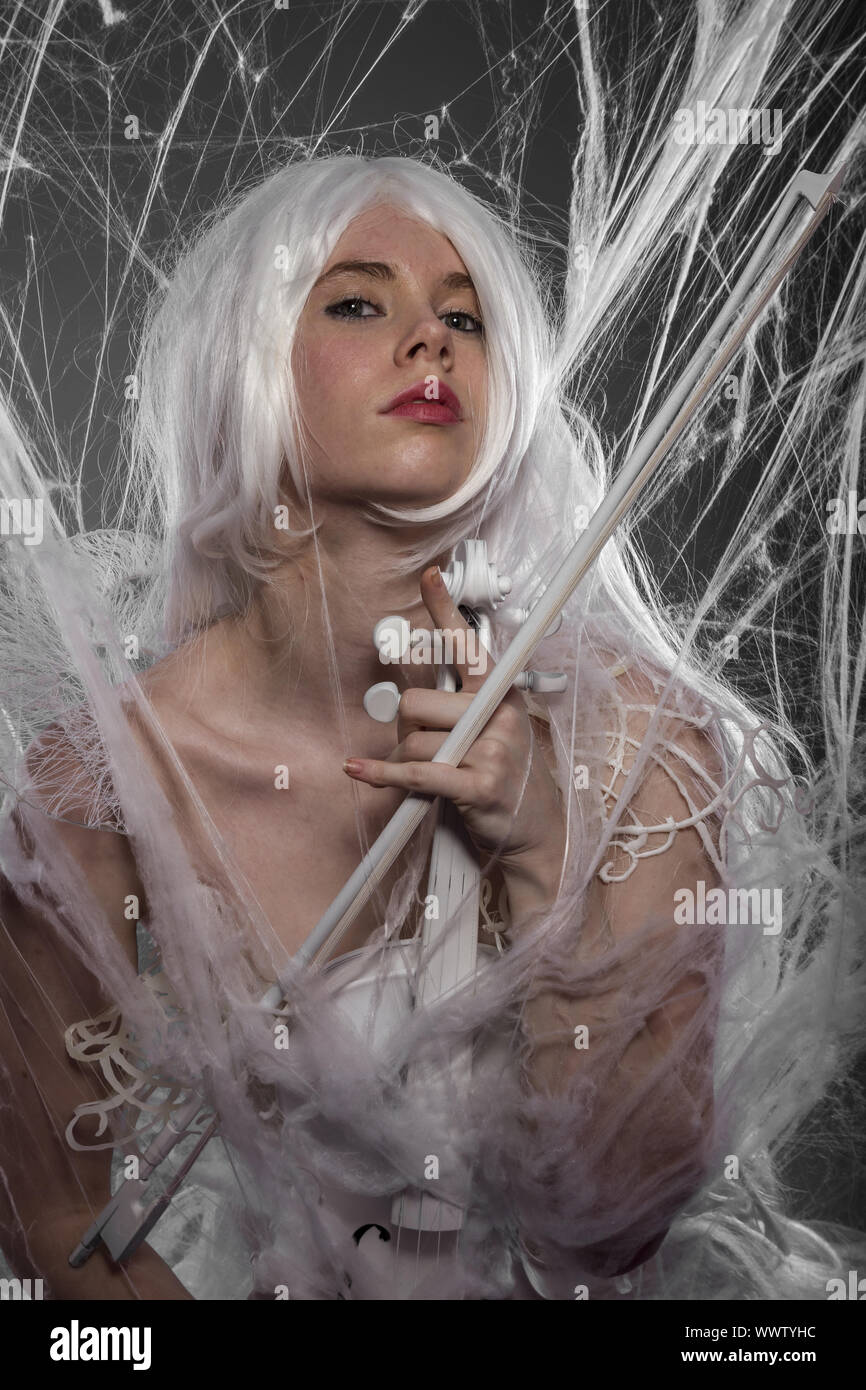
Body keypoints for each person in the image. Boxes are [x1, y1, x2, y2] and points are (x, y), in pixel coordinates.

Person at [0, 154, 861, 1301]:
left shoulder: (639, 742)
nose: (432, 342)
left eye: (466, 315)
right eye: (359, 302)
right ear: (241, 363)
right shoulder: (100, 783)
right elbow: (53, 1212)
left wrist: (545, 853)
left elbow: (614, 1229)